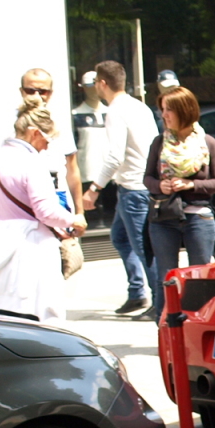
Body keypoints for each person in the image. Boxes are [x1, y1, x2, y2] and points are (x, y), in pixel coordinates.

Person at [0, 100, 87, 323]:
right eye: (47, 140)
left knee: (2, 321)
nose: (47, 147)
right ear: (34, 133)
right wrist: (75, 220)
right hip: (30, 248)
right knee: (40, 321)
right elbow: (45, 210)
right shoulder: (31, 162)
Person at [83, 60, 161, 316]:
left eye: (96, 82)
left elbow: (115, 156)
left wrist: (94, 188)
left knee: (142, 247)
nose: (96, 87)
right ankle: (137, 293)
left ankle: (160, 302)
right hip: (139, 186)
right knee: (120, 237)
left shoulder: (115, 111)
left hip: (133, 189)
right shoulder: (139, 106)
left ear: (103, 83)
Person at [143, 85, 215, 320]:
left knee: (198, 277)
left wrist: (191, 185)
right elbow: (147, 178)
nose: (163, 115)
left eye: (169, 110)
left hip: (198, 216)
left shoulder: (207, 143)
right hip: (164, 218)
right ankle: (165, 330)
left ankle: (197, 326)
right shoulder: (159, 143)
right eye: (162, 109)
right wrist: (161, 186)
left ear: (184, 111)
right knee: (165, 278)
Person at [19, 68, 83, 216]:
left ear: (50, 93)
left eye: (42, 92)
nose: (36, 96)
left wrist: (80, 213)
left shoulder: (60, 124)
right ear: (22, 91)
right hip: (23, 202)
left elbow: (72, 170)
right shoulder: (11, 125)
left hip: (56, 199)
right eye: (30, 90)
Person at [71, 71, 109, 189]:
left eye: (95, 86)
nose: (93, 90)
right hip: (87, 175)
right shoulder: (75, 115)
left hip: (110, 176)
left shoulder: (111, 113)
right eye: (89, 87)